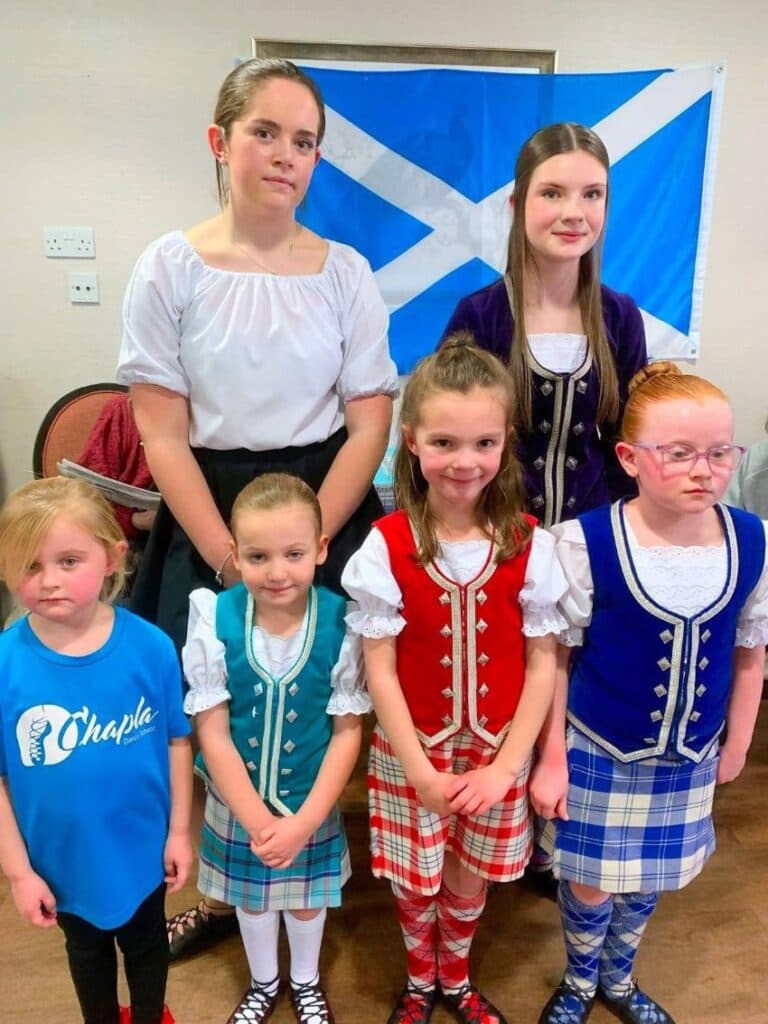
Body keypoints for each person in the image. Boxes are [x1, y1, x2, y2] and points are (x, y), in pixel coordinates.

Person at [116, 57, 397, 958]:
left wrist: (310, 538)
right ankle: (226, 884)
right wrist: (227, 556)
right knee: (212, 711)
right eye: (265, 133)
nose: (285, 155)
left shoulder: (345, 271)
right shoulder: (170, 267)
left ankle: (315, 875)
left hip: (324, 507)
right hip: (210, 505)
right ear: (220, 142)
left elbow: (368, 424)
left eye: (304, 140)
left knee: (327, 700)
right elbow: (164, 437)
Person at [441, 121, 648, 892]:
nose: (574, 210)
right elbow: (449, 427)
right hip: (504, 541)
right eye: (553, 192)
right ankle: (498, 838)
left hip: (593, 543)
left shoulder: (619, 318)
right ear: (517, 203)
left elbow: (633, 440)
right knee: (510, 686)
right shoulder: (483, 315)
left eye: (591, 194)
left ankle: (564, 833)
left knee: (579, 692)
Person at [530, 363, 768, 1024]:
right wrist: (550, 757)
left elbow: (751, 653)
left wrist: (737, 744)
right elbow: (552, 656)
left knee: (653, 877)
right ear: (630, 459)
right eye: (681, 454)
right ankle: (580, 980)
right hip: (599, 748)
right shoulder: (582, 543)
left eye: (721, 453)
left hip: (690, 756)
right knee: (589, 877)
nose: (705, 470)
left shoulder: (752, 540)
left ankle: (620, 977)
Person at [342, 337, 567, 1024]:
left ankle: (455, 976)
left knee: (470, 876)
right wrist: (418, 770)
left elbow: (543, 663)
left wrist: (508, 767)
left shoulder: (533, 543)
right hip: (414, 752)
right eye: (443, 442)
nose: (463, 462)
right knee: (415, 881)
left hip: (495, 752)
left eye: (482, 443)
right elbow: (378, 669)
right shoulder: (385, 544)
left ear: (504, 443)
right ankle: (418, 981)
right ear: (410, 442)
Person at [0, 477, 192, 1024]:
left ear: (112, 558)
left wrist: (179, 831)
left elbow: (179, 740)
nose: (49, 582)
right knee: (85, 954)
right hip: (62, 864)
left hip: (143, 851)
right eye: (29, 566)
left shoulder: (150, 648)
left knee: (148, 945)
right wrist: (18, 873)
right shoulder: (5, 664)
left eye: (68, 560)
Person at [182, 473, 367, 1024]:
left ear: (321, 549)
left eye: (293, 553)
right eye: (258, 556)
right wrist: (255, 818)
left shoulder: (343, 621)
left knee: (308, 896)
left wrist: (305, 821)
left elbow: (348, 732)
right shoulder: (213, 618)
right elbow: (211, 732)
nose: (277, 571)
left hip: (309, 804)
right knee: (253, 896)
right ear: (235, 555)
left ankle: (305, 981)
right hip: (238, 803)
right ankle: (264, 982)